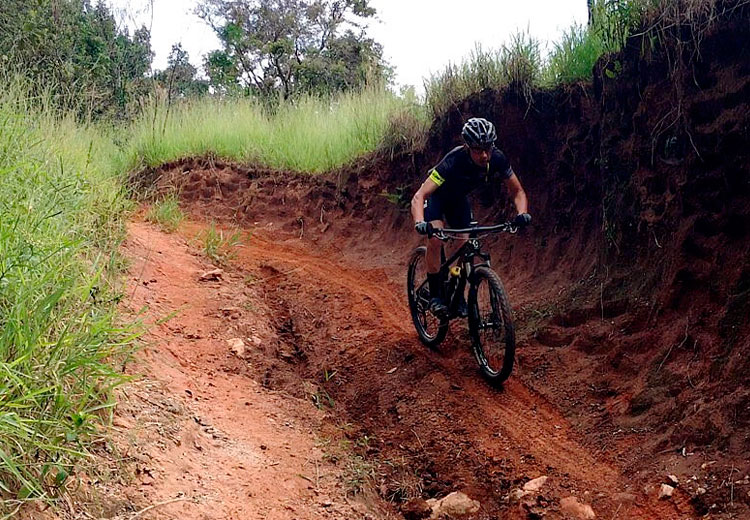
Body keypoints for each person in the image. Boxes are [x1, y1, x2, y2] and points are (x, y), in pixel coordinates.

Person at [411, 117, 531, 318]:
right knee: (436, 239)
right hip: (436, 199)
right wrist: (420, 222)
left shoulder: (497, 159)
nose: (484, 155)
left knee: (463, 244)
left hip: (458, 201)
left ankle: (456, 293)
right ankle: (435, 295)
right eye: (478, 150)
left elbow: (518, 192)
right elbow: (420, 195)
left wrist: (522, 213)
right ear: (467, 147)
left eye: (488, 148)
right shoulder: (453, 161)